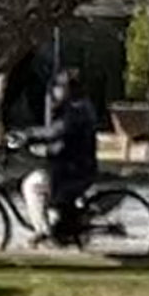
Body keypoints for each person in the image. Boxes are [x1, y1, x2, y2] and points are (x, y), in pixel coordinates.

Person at [38, 54, 105, 246]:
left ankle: (53, 233)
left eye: (59, 87)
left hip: (75, 170)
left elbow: (55, 131)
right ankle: (57, 230)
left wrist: (26, 135)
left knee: (38, 186)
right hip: (72, 166)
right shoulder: (76, 107)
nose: (54, 92)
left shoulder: (76, 111)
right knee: (47, 187)